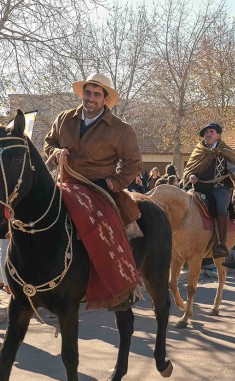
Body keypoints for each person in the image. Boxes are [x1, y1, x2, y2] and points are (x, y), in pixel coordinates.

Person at [44, 73, 143, 310]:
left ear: (105, 99)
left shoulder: (121, 129)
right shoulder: (64, 118)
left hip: (97, 186)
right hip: (65, 180)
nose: (90, 98)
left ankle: (120, 287)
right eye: (87, 93)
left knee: (107, 227)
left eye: (96, 94)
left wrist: (116, 183)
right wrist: (55, 153)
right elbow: (49, 142)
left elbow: (134, 163)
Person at [182, 122, 235, 258]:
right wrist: (191, 176)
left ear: (218, 136)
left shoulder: (226, 151)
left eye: (211, 132)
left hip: (220, 189)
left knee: (221, 207)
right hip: (200, 188)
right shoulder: (198, 151)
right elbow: (189, 169)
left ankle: (221, 244)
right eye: (206, 133)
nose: (208, 134)